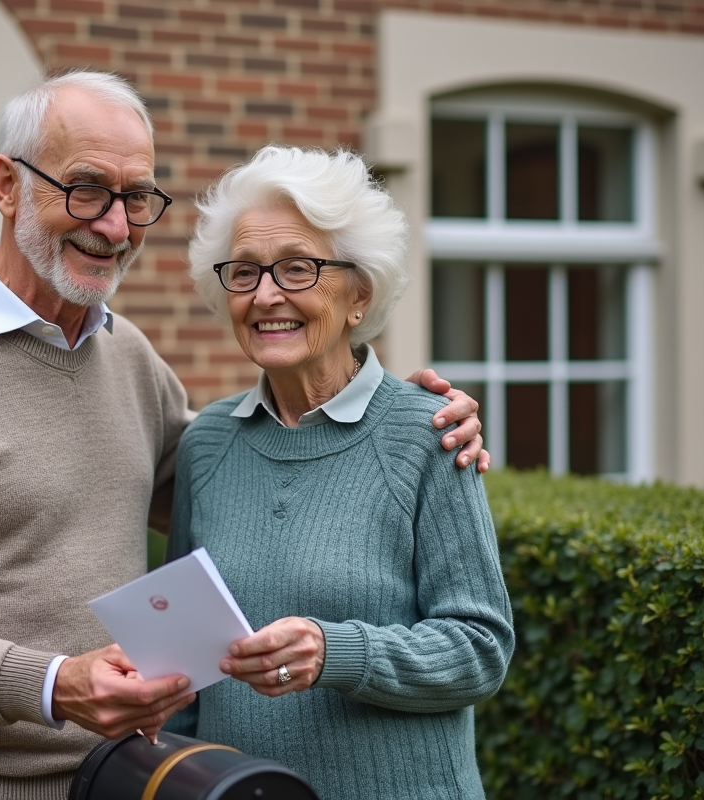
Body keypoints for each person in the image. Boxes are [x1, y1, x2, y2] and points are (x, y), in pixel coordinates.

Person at [0, 71, 488, 800]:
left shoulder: (130, 357)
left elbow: (259, 475)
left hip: (134, 778)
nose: (113, 225)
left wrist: (418, 422)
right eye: (85, 188)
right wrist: (49, 684)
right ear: (7, 187)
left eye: (135, 197)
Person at [166, 144, 515, 799]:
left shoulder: (426, 432)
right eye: (244, 272)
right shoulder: (207, 444)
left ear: (359, 294)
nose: (267, 295)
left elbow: (480, 649)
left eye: (297, 268)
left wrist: (336, 653)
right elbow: (188, 662)